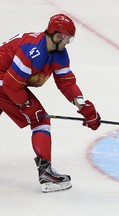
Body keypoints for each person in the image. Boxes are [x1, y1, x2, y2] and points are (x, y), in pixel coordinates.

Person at [0, 14, 101, 192]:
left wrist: (83, 106)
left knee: (36, 115)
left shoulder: (58, 53)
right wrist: (27, 106)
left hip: (8, 81)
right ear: (58, 35)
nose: (68, 42)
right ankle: (46, 172)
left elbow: (66, 82)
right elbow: (11, 85)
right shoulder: (31, 51)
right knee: (40, 120)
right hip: (5, 82)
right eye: (68, 38)